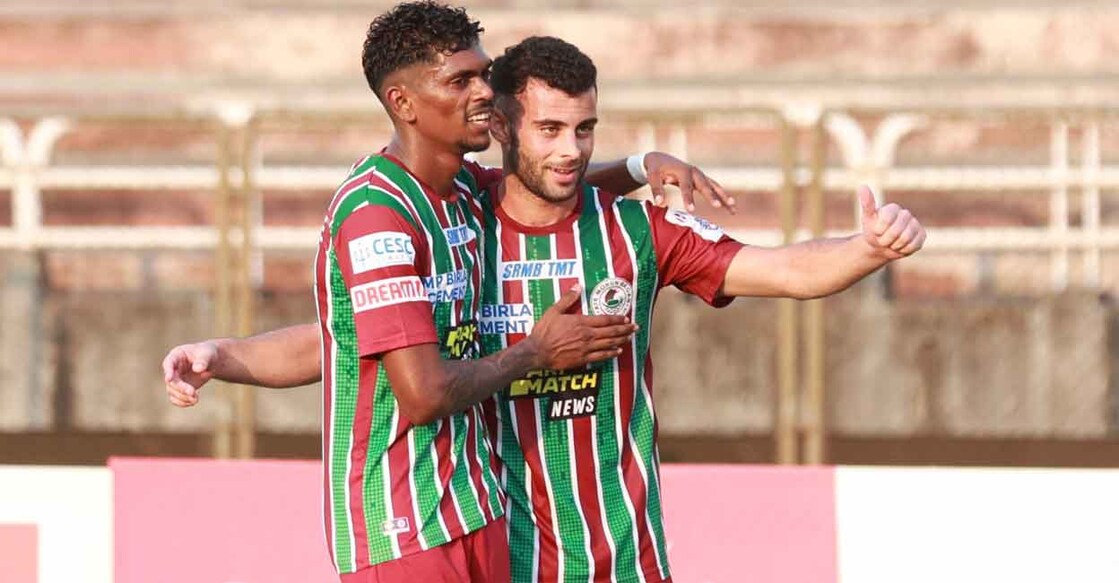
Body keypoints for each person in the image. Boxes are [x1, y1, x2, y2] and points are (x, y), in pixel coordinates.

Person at [163, 3, 731, 582]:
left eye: (483, 74)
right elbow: (424, 393)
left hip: (475, 511)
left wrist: (638, 165)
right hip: (404, 526)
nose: (485, 91)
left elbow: (540, 181)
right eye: (461, 80)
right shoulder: (377, 217)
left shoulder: (460, 190)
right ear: (403, 103)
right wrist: (536, 352)